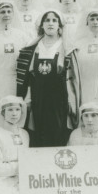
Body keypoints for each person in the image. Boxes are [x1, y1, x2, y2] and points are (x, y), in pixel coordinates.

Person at [16, 9, 81, 147]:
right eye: (47, 20)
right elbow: (27, 78)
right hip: (38, 97)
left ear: (60, 26)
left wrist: (72, 102)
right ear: (41, 25)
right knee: (38, 132)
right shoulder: (31, 48)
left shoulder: (67, 48)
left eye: (54, 20)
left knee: (59, 132)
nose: (50, 23)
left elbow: (73, 79)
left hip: (59, 98)